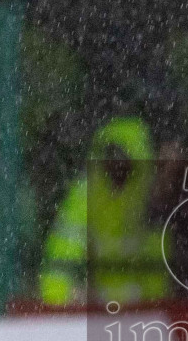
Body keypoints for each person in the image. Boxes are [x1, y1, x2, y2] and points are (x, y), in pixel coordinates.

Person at [39, 116, 169, 307]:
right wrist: (60, 303)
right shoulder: (85, 196)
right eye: (111, 156)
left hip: (137, 316)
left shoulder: (148, 202)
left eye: (123, 158)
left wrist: (153, 308)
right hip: (97, 312)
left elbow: (156, 272)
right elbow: (60, 262)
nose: (116, 164)